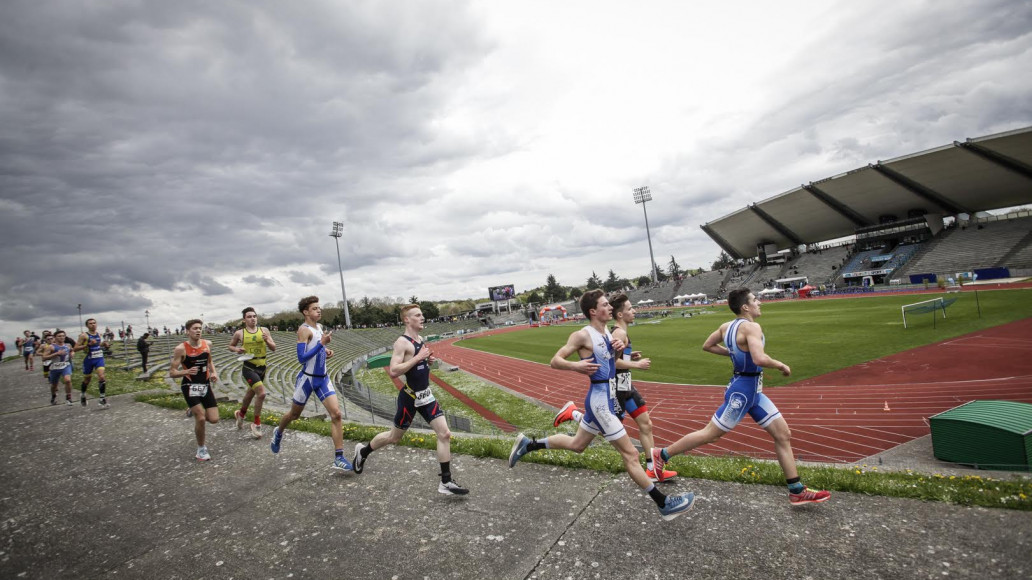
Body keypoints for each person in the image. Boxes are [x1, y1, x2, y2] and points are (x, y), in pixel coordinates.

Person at [508, 290, 695, 520]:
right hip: (599, 402)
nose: (610, 308)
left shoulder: (606, 332)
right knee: (630, 454)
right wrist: (576, 366)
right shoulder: (582, 335)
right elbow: (555, 361)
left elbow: (610, 364)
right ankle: (664, 503)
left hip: (608, 395)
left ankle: (528, 445)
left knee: (577, 444)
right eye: (605, 305)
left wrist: (619, 353)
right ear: (593, 311)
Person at [651, 288, 831, 506]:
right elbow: (759, 358)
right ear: (745, 307)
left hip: (753, 392)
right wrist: (780, 365)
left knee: (783, 434)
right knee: (710, 434)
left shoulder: (726, 327)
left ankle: (797, 490)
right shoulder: (752, 327)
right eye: (755, 300)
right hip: (743, 393)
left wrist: (733, 352)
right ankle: (661, 455)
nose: (759, 302)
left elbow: (707, 346)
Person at [553, 293, 677, 482]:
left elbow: (611, 357)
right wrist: (636, 364)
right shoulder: (618, 333)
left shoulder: (615, 333)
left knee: (646, 424)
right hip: (615, 387)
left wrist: (629, 356)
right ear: (620, 314)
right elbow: (612, 363)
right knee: (606, 430)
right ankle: (575, 414)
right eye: (630, 309)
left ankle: (652, 469)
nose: (633, 311)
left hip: (626, 385)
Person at [352, 304, 468, 495]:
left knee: (444, 434)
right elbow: (394, 371)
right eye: (418, 315)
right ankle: (362, 452)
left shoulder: (420, 339)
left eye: (422, 314)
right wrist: (418, 357)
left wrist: (426, 361)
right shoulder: (402, 342)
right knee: (394, 438)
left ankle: (446, 481)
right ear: (407, 319)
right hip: (410, 398)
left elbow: (416, 365)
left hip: (426, 396)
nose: (422, 318)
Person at [270, 296, 352, 472]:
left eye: (319, 308)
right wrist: (321, 343)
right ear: (306, 312)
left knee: (336, 414)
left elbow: (315, 349)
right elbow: (301, 358)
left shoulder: (319, 327)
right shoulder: (303, 330)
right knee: (294, 415)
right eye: (315, 308)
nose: (319, 310)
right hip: (307, 380)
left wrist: (326, 350)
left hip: (323, 378)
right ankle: (279, 432)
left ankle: (339, 457)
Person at [169, 319, 221, 461]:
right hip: (190, 385)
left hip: (205, 385)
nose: (198, 330)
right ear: (187, 331)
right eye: (195, 328)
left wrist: (214, 372)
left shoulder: (207, 344)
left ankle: (192, 409)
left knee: (214, 419)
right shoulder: (181, 349)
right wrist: (186, 372)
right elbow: (172, 372)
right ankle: (201, 449)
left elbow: (209, 361)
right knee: (201, 418)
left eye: (200, 328)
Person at [228, 306, 276, 438]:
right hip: (249, 367)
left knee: (250, 393)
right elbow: (230, 346)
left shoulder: (264, 330)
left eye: (254, 316)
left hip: (262, 367)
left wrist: (267, 340)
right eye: (249, 317)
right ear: (244, 320)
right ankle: (256, 424)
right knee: (261, 394)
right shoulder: (240, 333)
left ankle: (241, 414)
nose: (253, 319)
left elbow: (273, 348)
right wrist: (237, 350)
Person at [75, 318, 110, 408]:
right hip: (89, 360)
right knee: (87, 380)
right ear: (87, 326)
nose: (93, 325)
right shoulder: (84, 336)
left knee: (102, 377)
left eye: (94, 323)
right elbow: (75, 348)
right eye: (90, 323)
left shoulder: (99, 334)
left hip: (99, 358)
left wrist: (104, 345)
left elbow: (98, 345)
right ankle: (83, 394)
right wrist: (88, 344)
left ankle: (102, 399)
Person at [41, 330, 74, 405]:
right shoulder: (51, 347)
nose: (61, 337)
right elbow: (44, 358)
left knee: (68, 380)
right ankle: (53, 396)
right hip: (55, 367)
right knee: (54, 385)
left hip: (65, 365)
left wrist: (72, 353)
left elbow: (72, 350)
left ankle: (68, 397)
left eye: (63, 336)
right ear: (55, 338)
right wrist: (56, 354)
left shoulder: (68, 345)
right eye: (59, 336)